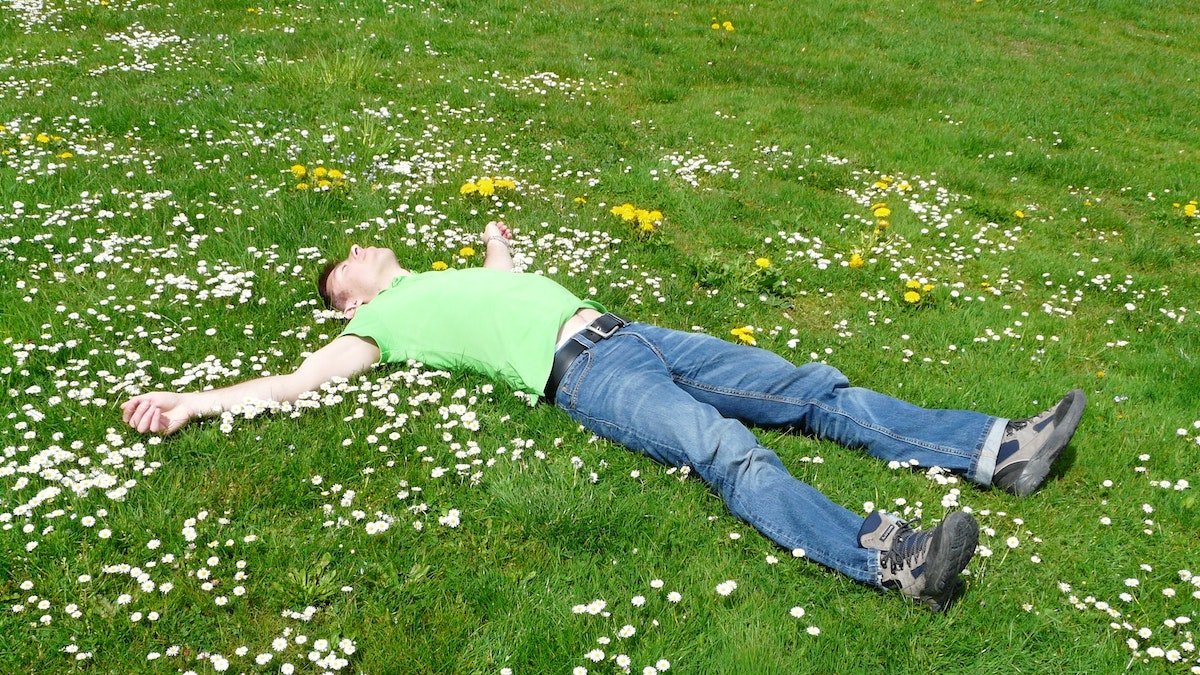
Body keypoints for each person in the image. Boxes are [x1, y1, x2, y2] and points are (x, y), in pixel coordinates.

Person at [121, 221, 1086, 611]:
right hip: (582, 375)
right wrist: (195, 400)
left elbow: (502, 284)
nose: (365, 249)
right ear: (351, 303)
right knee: (725, 450)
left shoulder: (442, 277)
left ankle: (995, 448)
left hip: (635, 332)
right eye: (350, 265)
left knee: (809, 387)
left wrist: (498, 245)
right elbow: (294, 384)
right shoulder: (381, 327)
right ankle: (891, 558)